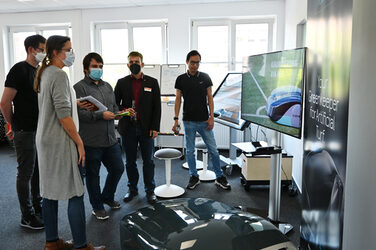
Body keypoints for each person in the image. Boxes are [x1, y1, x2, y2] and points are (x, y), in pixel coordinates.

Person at [34, 35, 105, 250]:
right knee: (75, 191)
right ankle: (82, 245)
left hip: (45, 140)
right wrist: (79, 142)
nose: (72, 54)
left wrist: (77, 103)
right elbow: (63, 115)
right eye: (68, 50)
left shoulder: (45, 73)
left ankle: (52, 242)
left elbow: (56, 103)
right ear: (55, 52)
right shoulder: (59, 75)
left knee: (49, 192)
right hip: (60, 141)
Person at [0, 34, 46, 230]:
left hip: (40, 129)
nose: (44, 53)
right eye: (42, 49)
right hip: (24, 130)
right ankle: (26, 215)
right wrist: (12, 124)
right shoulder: (18, 70)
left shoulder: (41, 71)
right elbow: (4, 102)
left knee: (37, 171)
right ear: (31, 49)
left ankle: (37, 205)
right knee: (25, 172)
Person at [74, 52, 124, 220]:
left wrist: (120, 114)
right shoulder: (79, 87)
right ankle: (97, 206)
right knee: (93, 176)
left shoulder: (108, 86)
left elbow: (114, 107)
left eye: (100, 66)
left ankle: (107, 197)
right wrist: (100, 116)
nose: (98, 69)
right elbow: (78, 114)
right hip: (90, 141)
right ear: (86, 69)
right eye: (95, 66)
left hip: (110, 139)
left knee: (118, 168)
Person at [172, 50, 231, 190]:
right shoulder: (181, 79)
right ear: (187, 62)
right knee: (190, 151)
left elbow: (210, 97)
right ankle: (194, 176)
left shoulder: (205, 77)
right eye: (192, 62)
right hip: (188, 121)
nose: (195, 65)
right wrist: (175, 119)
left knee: (214, 150)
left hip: (204, 121)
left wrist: (212, 117)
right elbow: (178, 99)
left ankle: (219, 176)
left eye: (197, 62)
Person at [114, 51, 161, 204]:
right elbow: (115, 104)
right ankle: (132, 189)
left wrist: (155, 127)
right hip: (128, 128)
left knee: (148, 161)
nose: (134, 64)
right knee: (130, 161)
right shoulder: (121, 82)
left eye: (137, 61)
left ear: (142, 63)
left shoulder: (152, 82)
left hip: (147, 128)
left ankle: (150, 190)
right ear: (128, 65)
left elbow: (157, 107)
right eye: (131, 62)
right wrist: (125, 110)